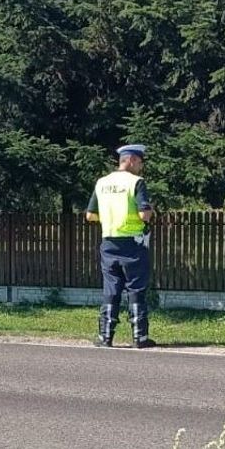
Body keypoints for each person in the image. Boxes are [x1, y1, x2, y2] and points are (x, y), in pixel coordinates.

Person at [86, 144, 155, 348]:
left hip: (109, 242)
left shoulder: (102, 183)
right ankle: (139, 337)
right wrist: (150, 210)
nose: (141, 167)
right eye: (140, 162)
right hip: (133, 243)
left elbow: (90, 215)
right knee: (136, 287)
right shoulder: (136, 182)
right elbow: (144, 214)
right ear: (132, 160)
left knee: (111, 287)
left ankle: (105, 336)